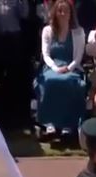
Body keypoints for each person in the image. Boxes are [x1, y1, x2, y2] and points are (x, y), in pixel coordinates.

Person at [36, 0, 87, 137]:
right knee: (49, 81)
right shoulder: (47, 31)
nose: (63, 14)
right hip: (51, 67)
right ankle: (50, 124)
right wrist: (55, 68)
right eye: (60, 11)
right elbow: (46, 54)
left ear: (71, 13)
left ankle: (68, 125)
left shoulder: (79, 32)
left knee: (69, 82)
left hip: (72, 67)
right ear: (55, 13)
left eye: (66, 11)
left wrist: (68, 68)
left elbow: (78, 57)